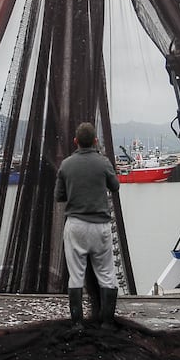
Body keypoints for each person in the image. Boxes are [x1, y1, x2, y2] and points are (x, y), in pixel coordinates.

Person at [54, 121, 121, 328]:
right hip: (100, 226)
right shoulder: (103, 162)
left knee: (76, 276)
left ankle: (77, 324)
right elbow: (115, 186)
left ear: (76, 142)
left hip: (75, 226)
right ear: (95, 141)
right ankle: (107, 323)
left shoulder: (66, 165)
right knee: (107, 276)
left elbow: (59, 196)